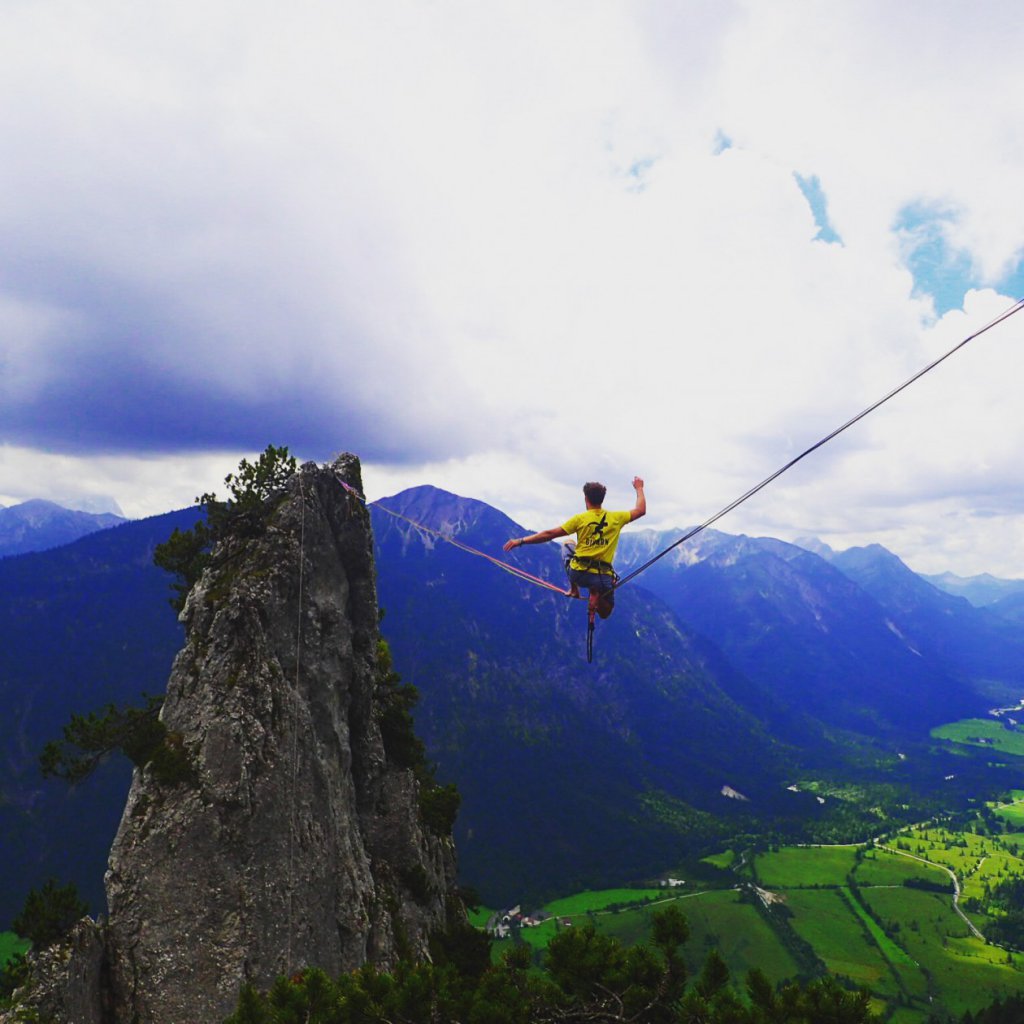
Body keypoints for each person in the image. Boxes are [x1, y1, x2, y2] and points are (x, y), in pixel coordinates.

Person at [502, 477, 646, 619]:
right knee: (605, 613)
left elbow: (549, 534)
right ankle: (597, 595)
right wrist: (639, 488)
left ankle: (574, 590)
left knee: (567, 543)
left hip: (579, 574)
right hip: (603, 577)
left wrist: (521, 541)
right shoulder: (616, 517)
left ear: (586, 499)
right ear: (602, 499)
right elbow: (640, 510)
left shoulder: (579, 519)